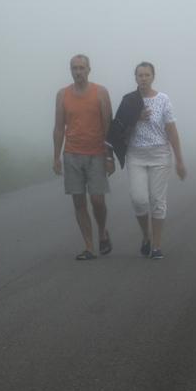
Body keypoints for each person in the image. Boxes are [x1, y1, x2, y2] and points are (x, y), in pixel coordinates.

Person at [52, 54, 115, 260]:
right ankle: (89, 247)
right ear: (70, 70)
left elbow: (108, 126)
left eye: (81, 68)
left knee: (97, 200)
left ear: (89, 70)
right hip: (72, 154)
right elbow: (59, 128)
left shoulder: (100, 93)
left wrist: (109, 157)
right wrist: (56, 157)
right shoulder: (62, 95)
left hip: (96, 153)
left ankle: (102, 231)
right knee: (78, 202)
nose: (78, 72)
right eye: (74, 68)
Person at [125, 61, 187, 260]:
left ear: (153, 77)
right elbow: (118, 128)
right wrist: (136, 117)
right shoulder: (129, 100)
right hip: (136, 154)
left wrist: (179, 160)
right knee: (139, 199)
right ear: (135, 78)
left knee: (157, 201)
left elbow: (171, 130)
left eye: (147, 75)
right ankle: (146, 236)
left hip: (160, 154)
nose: (143, 78)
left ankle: (157, 246)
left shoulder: (163, 100)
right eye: (140, 75)